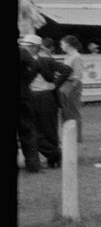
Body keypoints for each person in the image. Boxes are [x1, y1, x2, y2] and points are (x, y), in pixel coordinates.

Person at [20, 35, 61, 169]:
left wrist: (54, 84)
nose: (23, 47)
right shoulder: (30, 58)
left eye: (26, 45)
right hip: (29, 96)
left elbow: (66, 70)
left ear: (34, 47)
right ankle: (47, 158)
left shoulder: (38, 60)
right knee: (31, 131)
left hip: (37, 96)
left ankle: (53, 155)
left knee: (36, 130)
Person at [18, 43, 43, 173]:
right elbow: (36, 66)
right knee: (27, 131)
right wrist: (26, 80)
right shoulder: (22, 52)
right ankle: (33, 165)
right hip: (22, 95)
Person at [58, 35, 85, 143]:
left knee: (73, 110)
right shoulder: (68, 56)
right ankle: (66, 134)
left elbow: (78, 75)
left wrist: (72, 85)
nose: (61, 46)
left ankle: (77, 136)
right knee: (65, 111)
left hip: (71, 85)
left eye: (62, 44)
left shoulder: (76, 57)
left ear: (68, 45)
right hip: (65, 85)